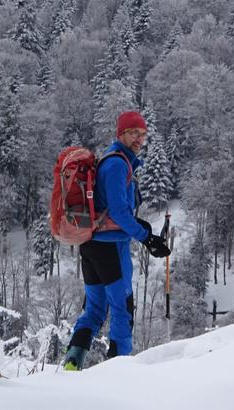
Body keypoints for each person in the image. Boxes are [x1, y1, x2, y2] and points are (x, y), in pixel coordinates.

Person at [63, 110, 170, 371]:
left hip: (92, 246)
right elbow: (120, 212)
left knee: (95, 310)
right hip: (110, 248)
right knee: (122, 308)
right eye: (134, 133)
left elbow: (112, 209)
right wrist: (147, 238)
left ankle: (72, 364)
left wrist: (141, 228)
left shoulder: (114, 161)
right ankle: (120, 372)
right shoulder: (117, 164)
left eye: (143, 134)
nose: (139, 139)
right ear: (120, 133)